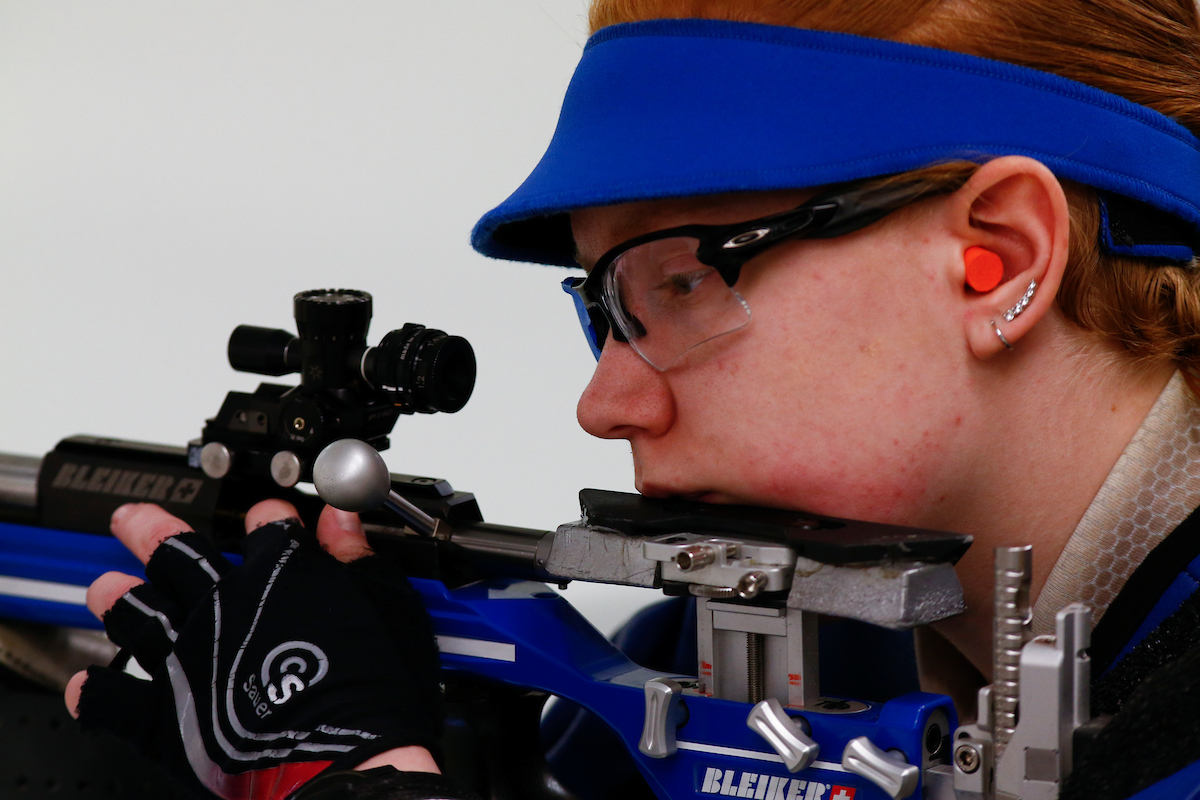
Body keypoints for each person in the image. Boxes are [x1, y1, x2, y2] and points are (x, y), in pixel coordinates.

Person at [62, 0, 1200, 798]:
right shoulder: (751, 659)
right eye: (603, 308)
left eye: (684, 279)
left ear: (1000, 255)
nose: (603, 402)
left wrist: (360, 785)